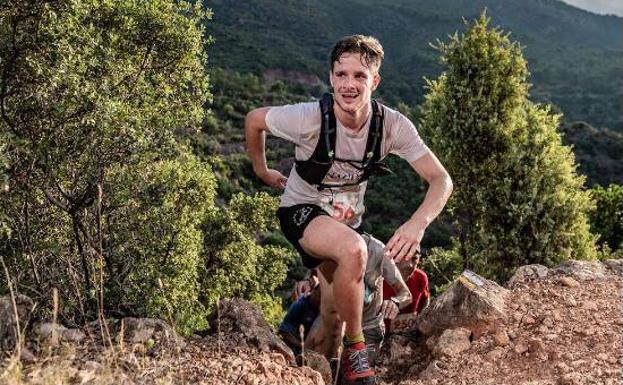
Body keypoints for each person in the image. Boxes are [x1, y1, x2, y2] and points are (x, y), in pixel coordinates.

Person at [246, 34, 452, 384]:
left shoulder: (392, 126)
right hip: (302, 210)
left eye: (359, 76)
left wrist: (418, 223)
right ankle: (359, 353)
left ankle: (310, 373)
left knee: (332, 314)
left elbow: (441, 180)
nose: (349, 85)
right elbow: (254, 119)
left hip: (345, 221)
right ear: (330, 78)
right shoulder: (309, 118)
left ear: (375, 81)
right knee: (354, 250)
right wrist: (261, 170)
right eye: (341, 75)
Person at [279, 233, 411, 365]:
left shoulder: (378, 250)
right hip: (333, 319)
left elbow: (405, 294)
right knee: (309, 363)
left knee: (358, 375)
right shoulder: (328, 242)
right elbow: (314, 273)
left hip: (368, 326)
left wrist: (395, 302)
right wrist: (308, 282)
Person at [383, 251, 430, 334]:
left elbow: (425, 302)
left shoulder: (421, 277)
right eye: (403, 257)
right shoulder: (379, 278)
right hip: (380, 339)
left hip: (408, 338)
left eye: (414, 258)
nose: (409, 265)